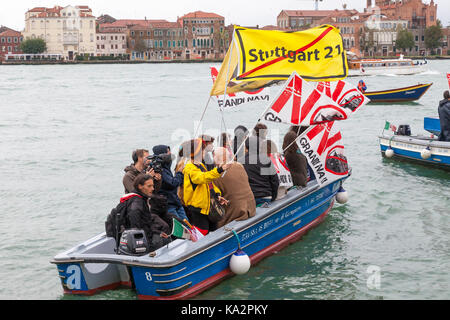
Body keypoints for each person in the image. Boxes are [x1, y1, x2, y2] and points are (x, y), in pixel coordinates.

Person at [181, 138, 230, 235]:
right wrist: (219, 170)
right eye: (202, 150)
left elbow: (209, 184)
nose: (204, 152)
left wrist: (217, 195)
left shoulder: (200, 165)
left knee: (214, 231)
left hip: (208, 207)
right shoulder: (189, 168)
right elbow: (202, 178)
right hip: (198, 209)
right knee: (202, 234)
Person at [213, 147, 256, 228]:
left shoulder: (217, 175)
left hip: (236, 213)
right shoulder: (240, 166)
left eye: (214, 156)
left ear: (217, 158)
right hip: (251, 208)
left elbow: (215, 197)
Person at [126, 174, 171, 252]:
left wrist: (157, 232)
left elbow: (145, 223)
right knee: (166, 240)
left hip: (144, 232)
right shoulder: (136, 204)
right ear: (140, 186)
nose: (153, 189)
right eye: (149, 186)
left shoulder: (141, 199)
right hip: (138, 238)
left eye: (153, 186)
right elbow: (137, 228)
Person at [152, 145, 189, 222]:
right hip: (169, 204)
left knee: (187, 224)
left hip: (175, 201)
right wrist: (179, 173)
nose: (170, 153)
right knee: (180, 226)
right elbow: (172, 183)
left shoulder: (165, 165)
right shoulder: (159, 169)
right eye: (168, 151)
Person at [243, 136, 279, 206]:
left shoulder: (241, 162)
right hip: (266, 196)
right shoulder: (266, 160)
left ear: (246, 147)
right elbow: (275, 181)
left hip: (250, 199)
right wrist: (273, 197)